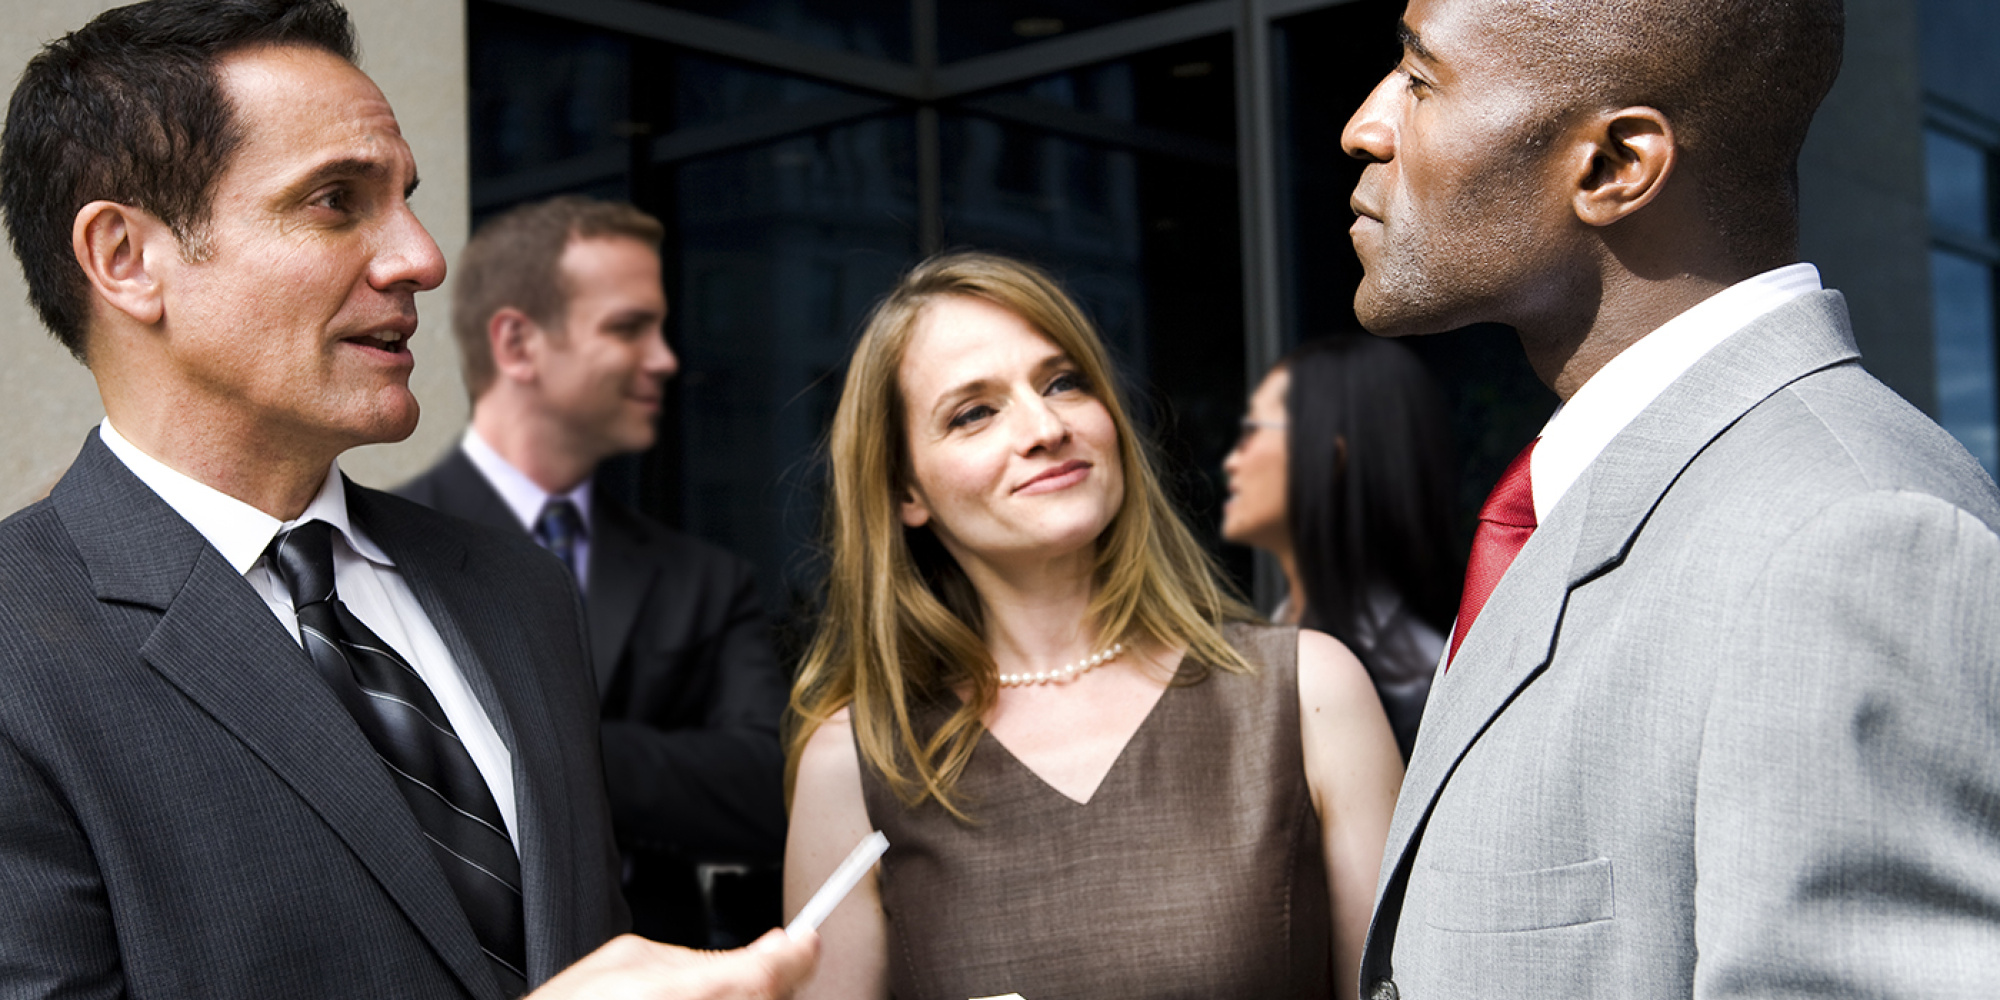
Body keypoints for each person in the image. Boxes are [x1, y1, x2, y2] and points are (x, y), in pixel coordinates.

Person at [0, 2, 814, 997]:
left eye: (406, 200)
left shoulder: (516, 589)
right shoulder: (16, 647)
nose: (422, 258)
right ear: (126, 258)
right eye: (335, 201)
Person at [1342, 0, 2000, 997]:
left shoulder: (1852, 538)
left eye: (1421, 79)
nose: (1365, 125)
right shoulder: (1603, 495)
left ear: (1612, 167)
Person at [782, 252, 1403, 1000]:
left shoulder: (1308, 690)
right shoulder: (857, 759)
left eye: (1063, 382)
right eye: (974, 412)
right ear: (906, 488)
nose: (1045, 427)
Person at [399, 196, 789, 947]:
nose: (665, 359)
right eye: (627, 327)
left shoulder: (702, 579)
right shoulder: (361, 558)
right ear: (517, 344)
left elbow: (767, 788)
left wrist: (536, 739)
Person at [1221, 334, 1459, 760]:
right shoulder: (1281, 628)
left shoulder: (1413, 682)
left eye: (1253, 431)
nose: (1231, 461)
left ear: (1329, 459)